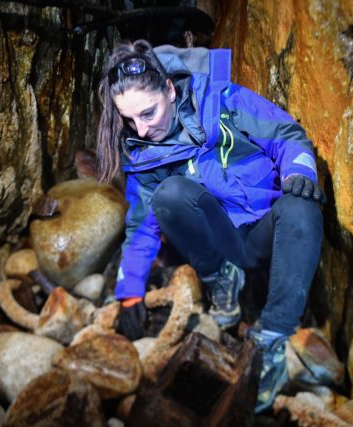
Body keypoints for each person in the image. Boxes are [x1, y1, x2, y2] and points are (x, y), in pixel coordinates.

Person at [96, 39, 324, 412]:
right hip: (224, 241)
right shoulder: (142, 153)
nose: (141, 127)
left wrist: (300, 171)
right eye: (130, 119)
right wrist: (130, 289)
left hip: (267, 228)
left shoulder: (222, 99)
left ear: (169, 89)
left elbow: (286, 134)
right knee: (167, 195)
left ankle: (271, 338)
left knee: (303, 206)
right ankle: (222, 279)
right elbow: (141, 225)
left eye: (148, 113)